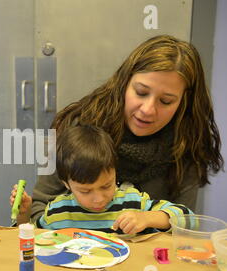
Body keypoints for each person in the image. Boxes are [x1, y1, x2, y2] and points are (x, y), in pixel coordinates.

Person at [30, 35, 223, 224]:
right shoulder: (79, 130)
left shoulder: (186, 145)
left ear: (183, 102)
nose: (147, 110)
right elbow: (39, 208)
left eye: (166, 101)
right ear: (124, 83)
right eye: (141, 92)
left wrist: (151, 220)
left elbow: (183, 224)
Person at [10, 125, 194, 234]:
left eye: (106, 186)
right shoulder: (58, 213)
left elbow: (189, 219)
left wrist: (148, 218)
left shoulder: (133, 202)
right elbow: (31, 238)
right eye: (85, 191)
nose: (98, 198)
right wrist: (23, 214)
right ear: (66, 184)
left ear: (115, 173)